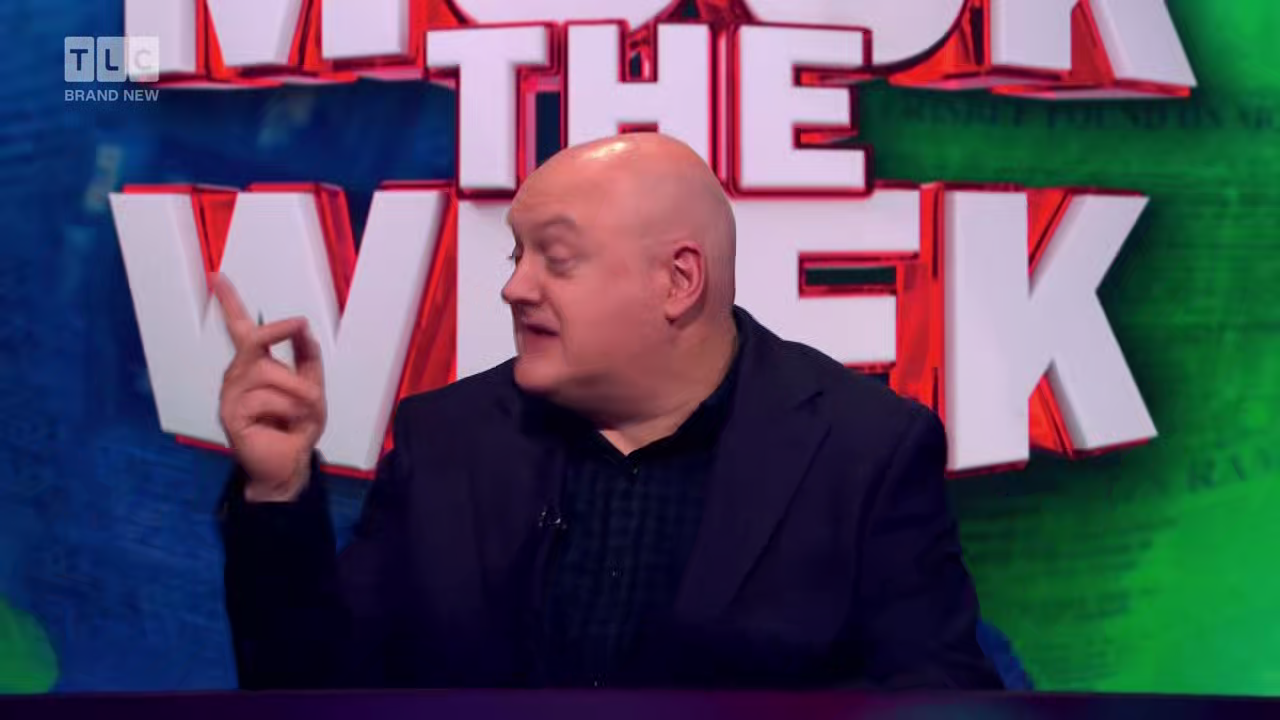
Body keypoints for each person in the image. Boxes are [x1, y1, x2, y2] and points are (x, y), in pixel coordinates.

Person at [216, 133, 1003, 691]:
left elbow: (940, 697)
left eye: (555, 260)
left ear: (678, 281)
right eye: (516, 255)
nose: (514, 288)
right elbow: (312, 691)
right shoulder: (446, 438)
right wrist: (276, 492)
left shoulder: (863, 450)